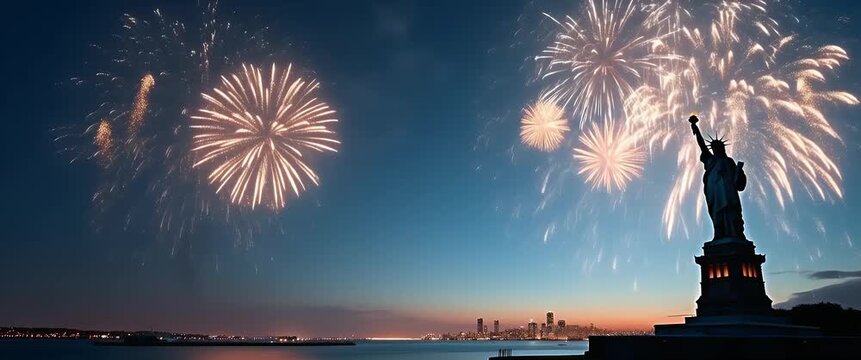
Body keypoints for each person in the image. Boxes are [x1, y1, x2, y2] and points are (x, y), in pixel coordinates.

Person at [690, 116, 747, 240]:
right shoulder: (710, 159)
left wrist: (739, 172)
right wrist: (695, 128)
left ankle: (735, 233)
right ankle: (719, 234)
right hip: (714, 191)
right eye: (715, 147)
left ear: (723, 148)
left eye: (719, 147)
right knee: (717, 213)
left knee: (732, 210)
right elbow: (702, 145)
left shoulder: (729, 161)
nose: (717, 149)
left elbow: (738, 181)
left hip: (728, 190)